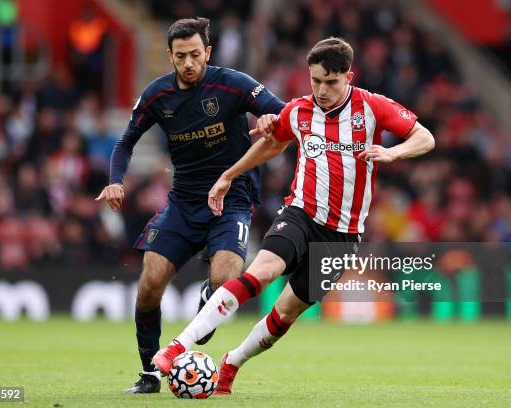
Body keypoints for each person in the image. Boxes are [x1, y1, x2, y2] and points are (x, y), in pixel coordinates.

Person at [152, 37, 435, 394]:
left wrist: (395, 154)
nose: (321, 89)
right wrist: (228, 175)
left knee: (284, 315)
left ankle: (232, 363)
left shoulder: (373, 107)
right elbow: (273, 143)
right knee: (262, 271)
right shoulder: (299, 110)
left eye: (331, 82)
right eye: (315, 80)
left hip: (343, 235)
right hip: (300, 213)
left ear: (350, 75)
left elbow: (425, 138)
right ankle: (178, 345)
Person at [95, 17, 284, 393]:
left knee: (225, 282)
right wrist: (115, 181)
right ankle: (149, 374)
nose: (188, 63)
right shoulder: (156, 95)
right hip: (184, 201)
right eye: (180, 56)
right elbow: (125, 142)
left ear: (208, 52)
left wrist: (269, 117)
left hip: (232, 198)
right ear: (170, 56)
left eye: (195, 54)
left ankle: (208, 299)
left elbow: (283, 111)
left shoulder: (232, 83)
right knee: (149, 284)